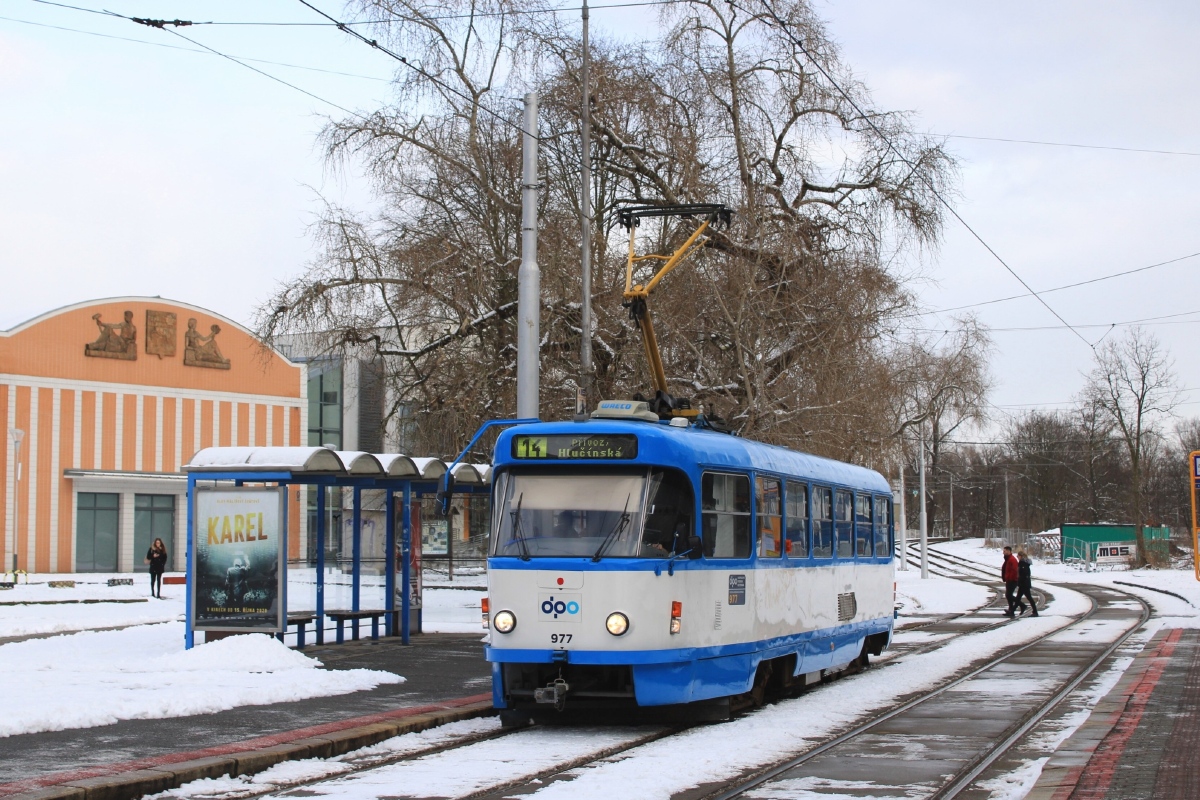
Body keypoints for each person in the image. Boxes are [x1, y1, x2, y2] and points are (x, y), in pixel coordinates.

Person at [1014, 548, 1038, 616]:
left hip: (1024, 584)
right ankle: (1012, 610)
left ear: (1021, 556)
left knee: (1028, 598)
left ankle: (1035, 612)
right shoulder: (1023, 563)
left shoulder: (1023, 564)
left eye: (1018, 556)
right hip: (1023, 584)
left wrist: (1020, 581)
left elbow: (1024, 574)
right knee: (1018, 598)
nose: (1017, 557)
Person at [1001, 545, 1020, 616]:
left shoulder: (1012, 559)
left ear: (1009, 551)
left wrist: (1011, 578)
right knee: (1009, 595)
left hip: (1012, 580)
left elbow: (1015, 570)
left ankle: (1021, 605)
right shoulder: (1008, 559)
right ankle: (1011, 610)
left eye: (1004, 551)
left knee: (1008, 595)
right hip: (1009, 579)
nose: (1003, 552)